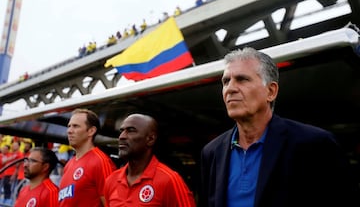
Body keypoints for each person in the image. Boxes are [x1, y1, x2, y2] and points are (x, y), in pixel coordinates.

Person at [200, 47, 360, 207]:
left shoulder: (315, 144)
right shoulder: (212, 152)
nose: (230, 89)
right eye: (226, 81)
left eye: (242, 79)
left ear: (271, 91)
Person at [104, 113, 196, 207]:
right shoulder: (111, 181)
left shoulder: (169, 179)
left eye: (131, 131)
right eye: (121, 131)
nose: (122, 136)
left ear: (150, 139)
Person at [58, 108, 116, 207]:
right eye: (69, 126)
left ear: (91, 131)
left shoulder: (101, 161)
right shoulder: (68, 165)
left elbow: (111, 203)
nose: (69, 131)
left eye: (75, 126)